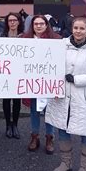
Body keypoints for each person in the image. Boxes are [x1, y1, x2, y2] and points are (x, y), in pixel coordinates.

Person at [46, 17, 86, 171]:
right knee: (62, 128)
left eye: (82, 28)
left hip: (81, 97)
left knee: (85, 132)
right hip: (62, 95)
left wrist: (77, 79)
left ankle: (85, 168)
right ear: (72, 28)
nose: (78, 31)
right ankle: (66, 162)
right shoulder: (61, 46)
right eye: (76, 28)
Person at [21, 15, 61, 154]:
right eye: (36, 24)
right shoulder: (24, 39)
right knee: (34, 111)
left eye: (41, 23)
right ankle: (35, 136)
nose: (38, 26)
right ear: (32, 25)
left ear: (46, 25)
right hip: (31, 82)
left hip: (49, 82)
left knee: (49, 111)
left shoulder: (56, 39)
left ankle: (50, 137)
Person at [0, 13, 24, 139]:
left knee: (17, 100)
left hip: (19, 72)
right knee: (6, 100)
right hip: (5, 72)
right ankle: (8, 124)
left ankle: (16, 125)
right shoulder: (1, 36)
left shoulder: (25, 37)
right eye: (10, 20)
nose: (12, 23)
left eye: (15, 20)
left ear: (19, 22)